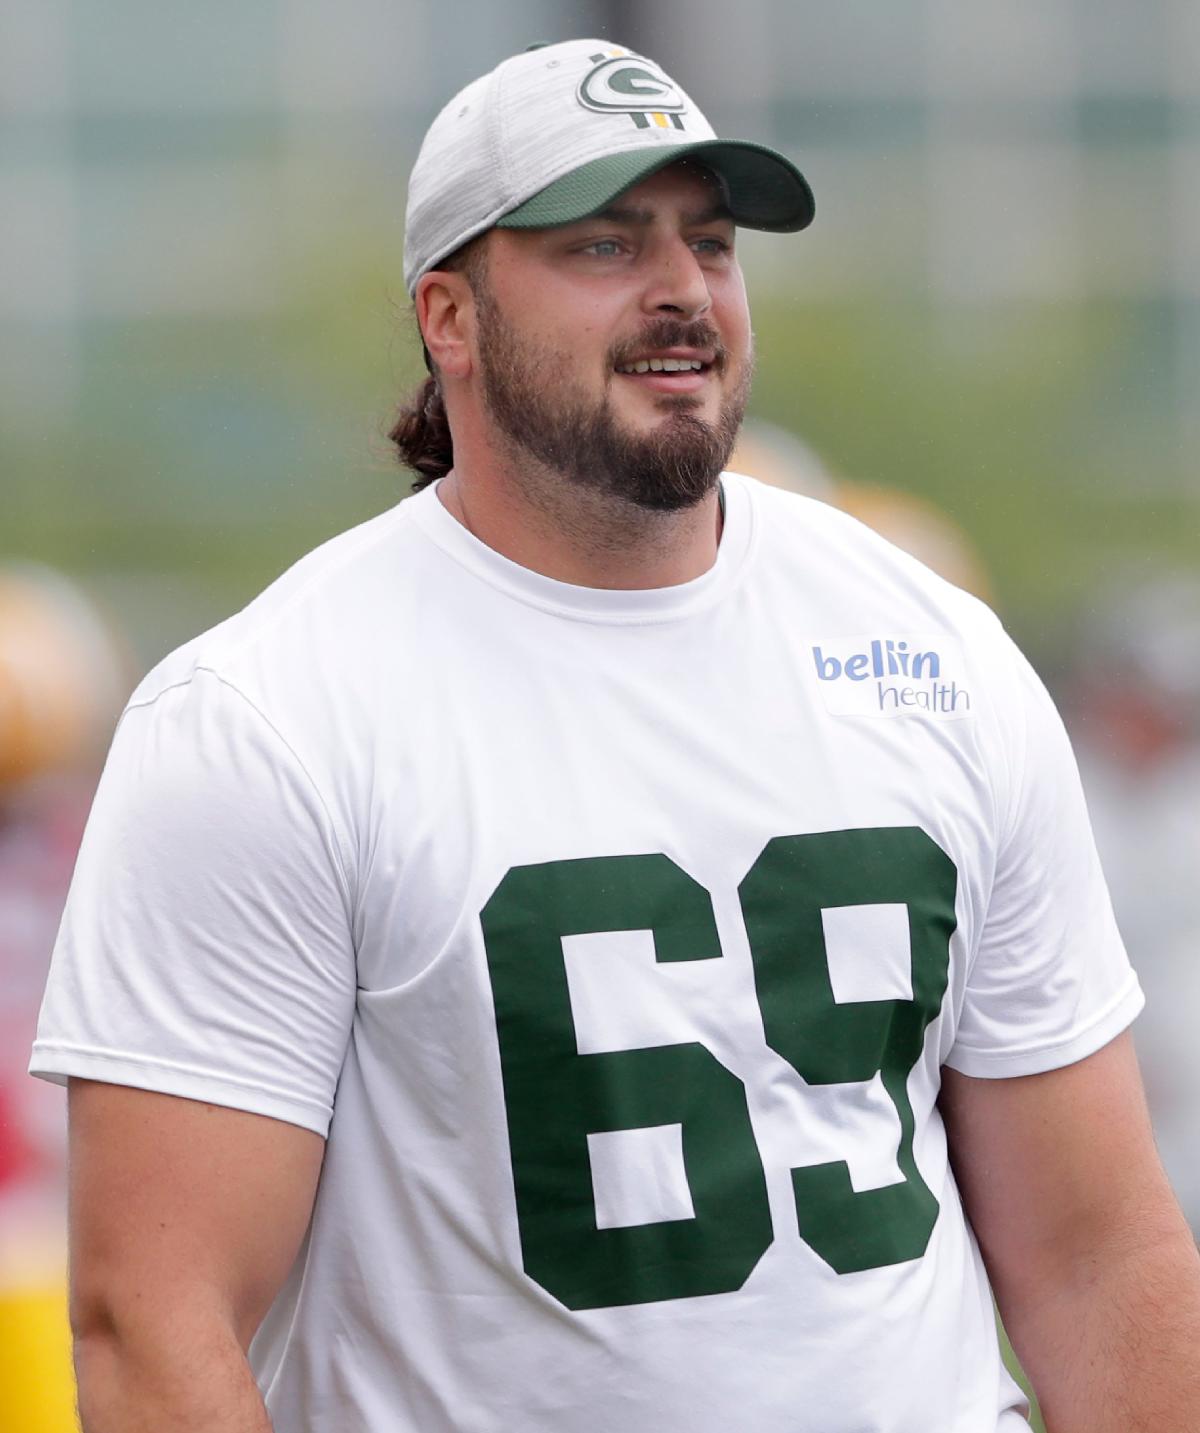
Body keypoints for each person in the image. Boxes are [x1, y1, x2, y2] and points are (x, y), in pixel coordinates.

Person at [30, 38, 1200, 1433]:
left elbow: (1096, 1254)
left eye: (709, 243)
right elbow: (152, 1326)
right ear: (449, 318)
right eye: (602, 244)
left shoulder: (938, 652)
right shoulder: (270, 717)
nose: (682, 291)